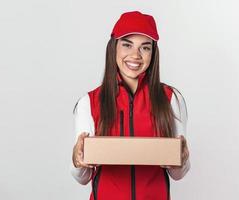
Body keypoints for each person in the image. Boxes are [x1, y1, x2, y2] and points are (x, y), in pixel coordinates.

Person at [71, 11, 191, 200]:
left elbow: (178, 174)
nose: (135, 55)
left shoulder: (171, 99)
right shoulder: (89, 102)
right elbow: (82, 178)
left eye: (145, 47)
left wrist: (182, 161)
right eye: (127, 45)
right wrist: (78, 161)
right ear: (114, 48)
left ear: (153, 52)